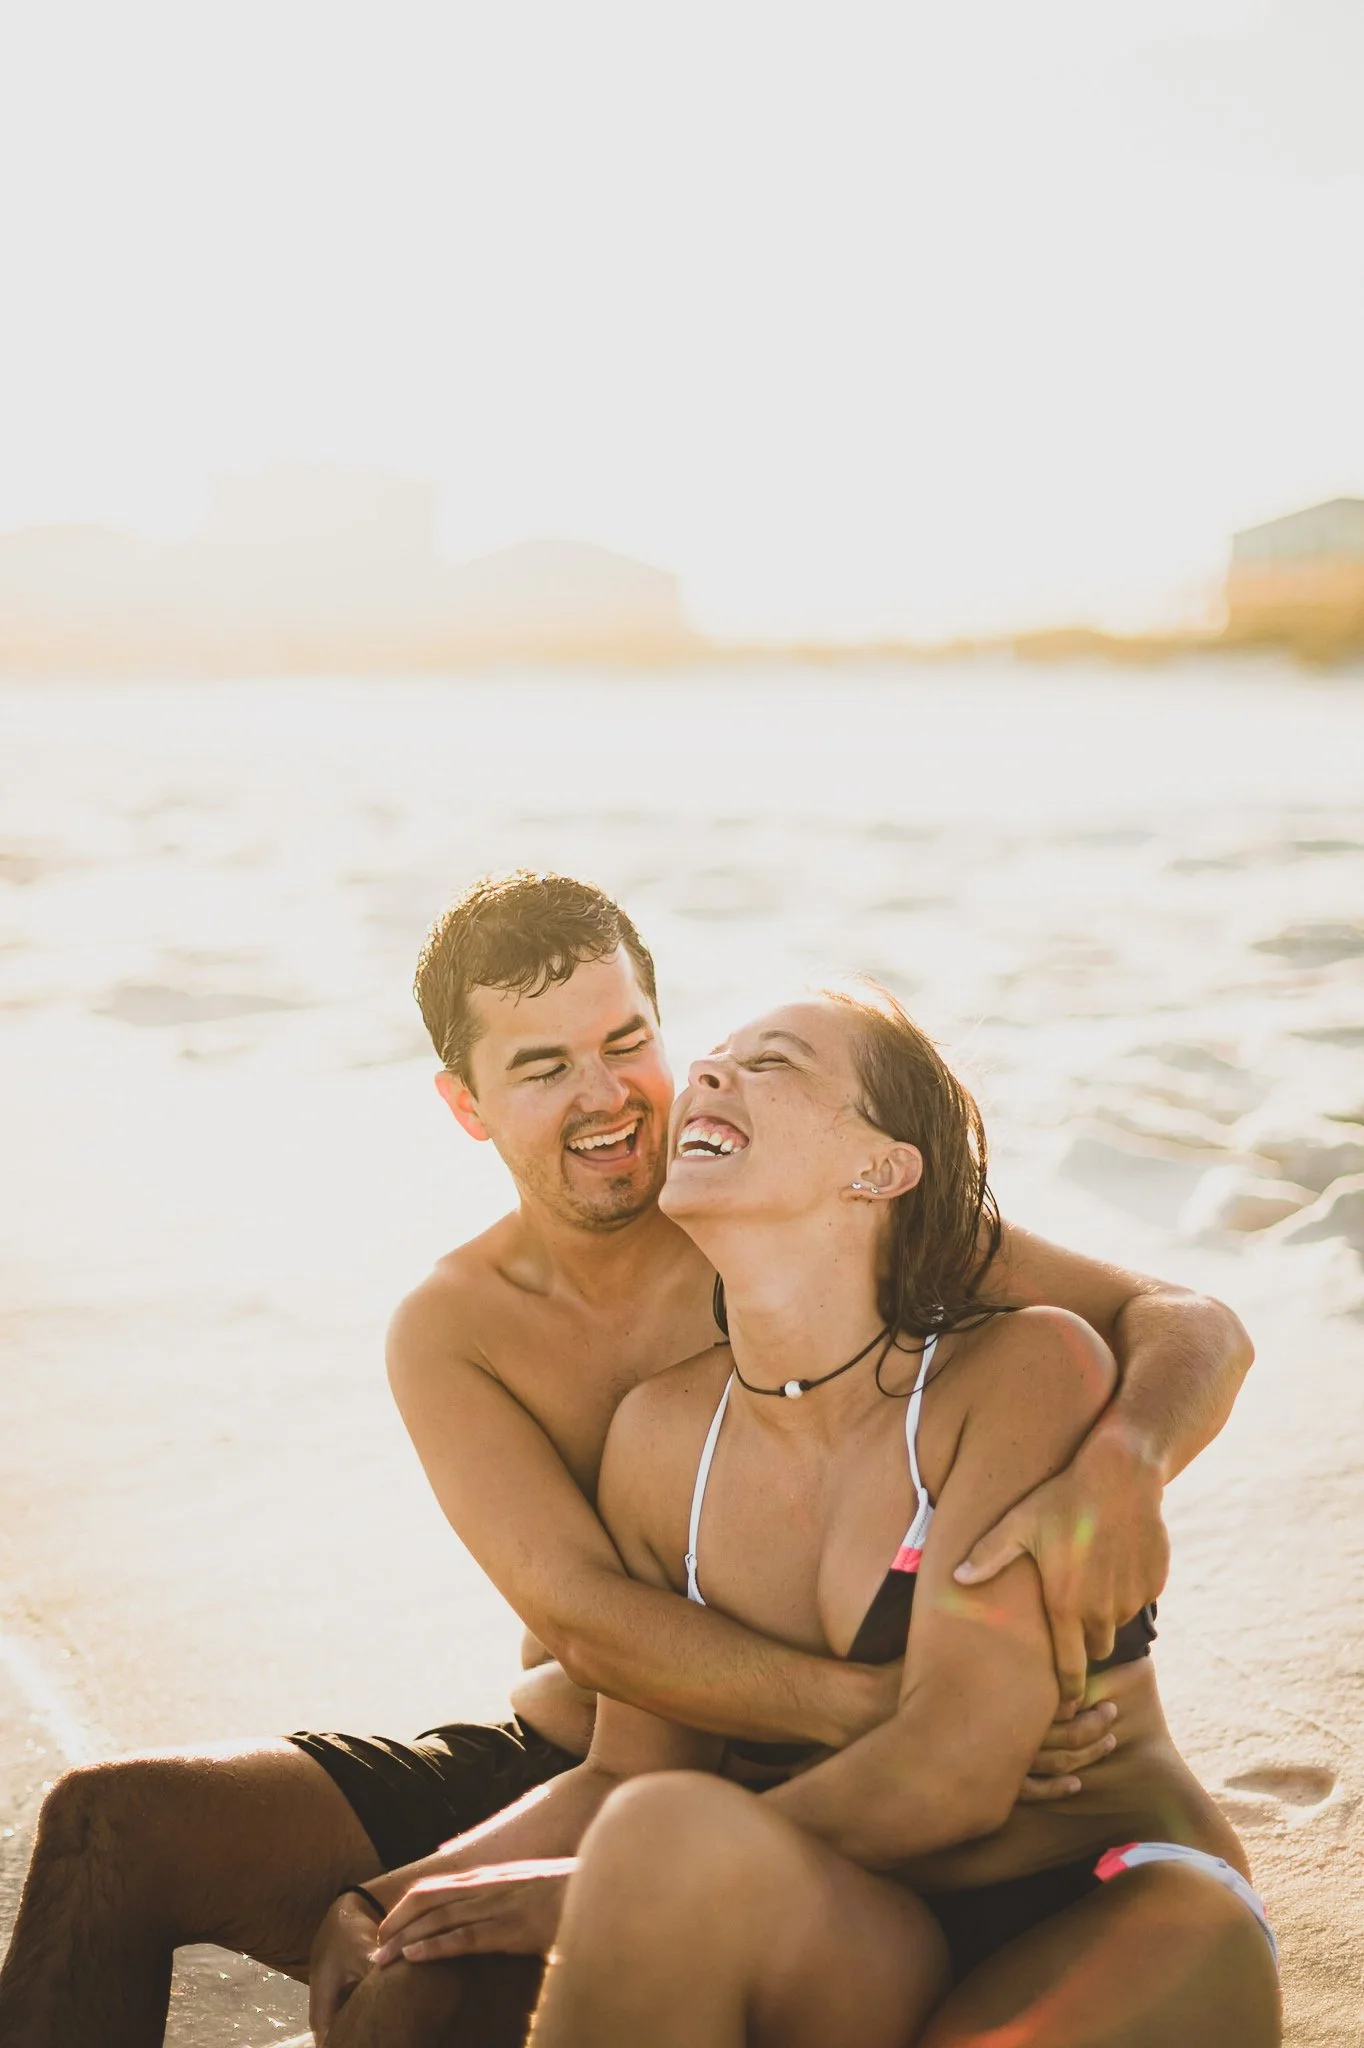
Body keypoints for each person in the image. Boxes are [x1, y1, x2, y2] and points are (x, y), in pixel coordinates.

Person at [0, 876, 1253, 2048]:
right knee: (188, 1858)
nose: (613, 1097)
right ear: (467, 1103)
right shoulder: (515, 1355)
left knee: (648, 1852)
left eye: (628, 1043)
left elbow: (1182, 1318)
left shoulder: (877, 1245)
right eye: (543, 1067)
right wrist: (882, 1705)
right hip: (639, 1780)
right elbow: (590, 1632)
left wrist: (1122, 1466)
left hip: (941, 1844)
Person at [352, 984, 1280, 2048]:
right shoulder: (659, 1441)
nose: (706, 1074)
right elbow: (631, 1775)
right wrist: (392, 1904)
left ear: (878, 1167)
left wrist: (578, 1886)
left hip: (1107, 1887)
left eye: (773, 1063)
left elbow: (956, 1768)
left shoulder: (1021, 1366)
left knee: (664, 1847)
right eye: (710, 1057)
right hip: (866, 1916)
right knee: (648, 1834)